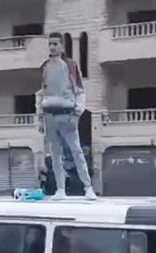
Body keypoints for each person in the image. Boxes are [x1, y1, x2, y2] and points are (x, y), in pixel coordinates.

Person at [35, 32, 97, 201]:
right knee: (55, 154)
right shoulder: (45, 66)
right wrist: (40, 117)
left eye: (55, 44)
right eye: (50, 44)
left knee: (76, 151)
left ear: (62, 45)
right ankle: (60, 189)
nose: (52, 47)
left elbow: (79, 91)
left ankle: (88, 187)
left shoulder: (70, 65)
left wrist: (77, 113)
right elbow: (41, 93)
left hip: (67, 114)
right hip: (49, 115)